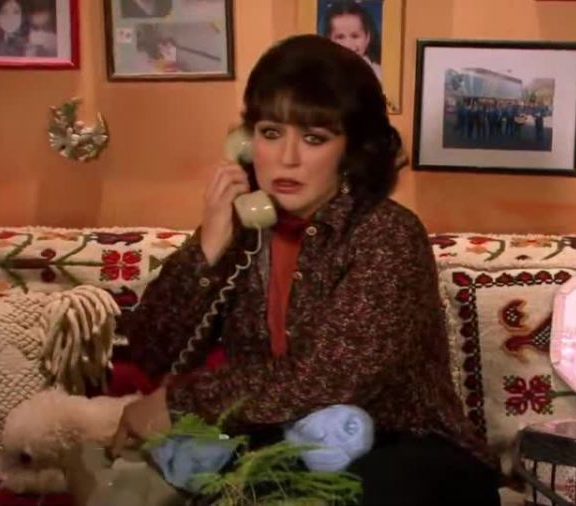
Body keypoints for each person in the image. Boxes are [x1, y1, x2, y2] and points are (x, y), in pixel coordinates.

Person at [111, 35, 499, 505]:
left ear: (352, 149)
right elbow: (149, 351)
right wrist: (208, 247)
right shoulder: (245, 229)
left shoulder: (387, 234)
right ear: (246, 143)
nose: (287, 158)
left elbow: (325, 379)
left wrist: (177, 402)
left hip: (406, 450)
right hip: (284, 446)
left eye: (314, 138)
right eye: (271, 133)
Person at [322, 1, 383, 82]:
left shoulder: (379, 74)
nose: (348, 44)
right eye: (340, 37)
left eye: (355, 36)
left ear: (367, 37)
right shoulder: (322, 74)